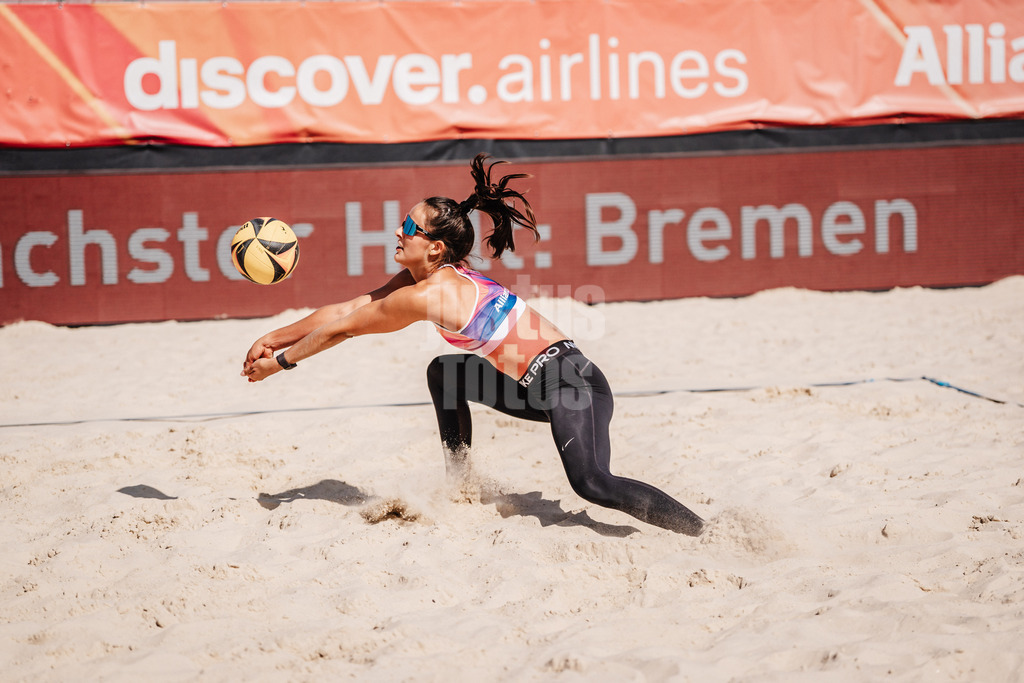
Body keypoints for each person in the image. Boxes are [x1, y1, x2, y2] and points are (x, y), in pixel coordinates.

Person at [242, 154, 705, 536]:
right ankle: (461, 485)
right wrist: (275, 336)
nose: (398, 231)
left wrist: (281, 362)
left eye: (409, 226)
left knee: (593, 483)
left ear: (435, 247)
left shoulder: (427, 295)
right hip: (536, 387)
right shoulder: (434, 275)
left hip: (571, 382)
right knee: (445, 373)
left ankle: (703, 530)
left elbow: (345, 329)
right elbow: (350, 308)